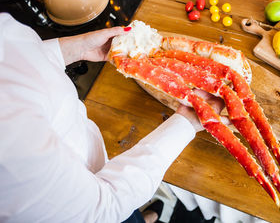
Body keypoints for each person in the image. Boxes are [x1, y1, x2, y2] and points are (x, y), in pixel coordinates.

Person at [0, 13, 226, 223]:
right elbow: (101, 208)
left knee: (130, 213)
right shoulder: (8, 145)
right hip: (95, 208)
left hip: (98, 171)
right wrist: (185, 124)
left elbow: (15, 58)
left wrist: (69, 50)